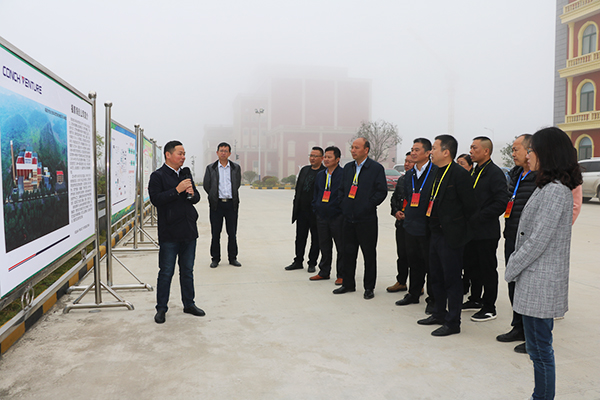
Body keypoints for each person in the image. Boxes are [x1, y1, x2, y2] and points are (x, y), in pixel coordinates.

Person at [505, 127, 582, 400]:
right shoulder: (547, 187)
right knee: (537, 350)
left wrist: (512, 266)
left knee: (540, 351)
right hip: (535, 280)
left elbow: (538, 240)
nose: (528, 156)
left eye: (533, 150)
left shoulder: (555, 191)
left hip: (541, 282)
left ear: (547, 153)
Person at [417, 134, 476, 336]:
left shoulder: (459, 175)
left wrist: (459, 231)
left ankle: (453, 322)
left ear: (446, 152)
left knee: (452, 280)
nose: (431, 152)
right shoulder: (435, 172)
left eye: (434, 148)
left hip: (451, 237)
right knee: (436, 277)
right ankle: (439, 313)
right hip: (434, 233)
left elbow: (470, 207)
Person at [149, 140, 204, 324]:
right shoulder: (158, 176)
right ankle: (161, 309)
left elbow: (196, 197)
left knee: (187, 271)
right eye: (180, 153)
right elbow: (156, 199)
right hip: (170, 233)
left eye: (184, 154)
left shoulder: (185, 174)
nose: (183, 157)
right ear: (168, 154)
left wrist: (191, 193)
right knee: (166, 272)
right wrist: (177, 190)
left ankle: (189, 304)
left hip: (189, 231)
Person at [333, 137, 387, 299]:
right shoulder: (348, 168)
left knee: (369, 254)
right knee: (348, 253)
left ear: (366, 150)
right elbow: (341, 189)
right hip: (348, 218)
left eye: (357, 147)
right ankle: (348, 284)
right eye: (352, 147)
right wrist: (343, 204)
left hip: (366, 219)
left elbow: (381, 191)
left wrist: (367, 205)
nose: (353, 150)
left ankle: (369, 287)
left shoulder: (375, 168)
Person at [497, 134, 536, 353]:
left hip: (529, 241)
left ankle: (533, 336)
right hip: (512, 235)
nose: (513, 154)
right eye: (512, 150)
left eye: (516, 149)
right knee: (512, 281)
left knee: (529, 287)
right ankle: (518, 327)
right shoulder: (515, 175)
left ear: (529, 150)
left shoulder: (540, 178)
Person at [463, 136, 508, 322]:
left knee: (487, 269)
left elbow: (501, 202)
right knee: (472, 267)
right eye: (471, 147)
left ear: (486, 151)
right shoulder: (475, 171)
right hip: (471, 231)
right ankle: (475, 299)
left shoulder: (494, 173)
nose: (471, 151)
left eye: (474, 148)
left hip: (486, 231)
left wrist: (479, 216)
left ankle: (489, 307)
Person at [394, 139, 438, 315]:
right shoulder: (410, 174)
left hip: (428, 226)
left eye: (417, 150)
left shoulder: (435, 172)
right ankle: (413, 293)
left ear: (428, 153)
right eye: (412, 149)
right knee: (414, 262)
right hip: (410, 225)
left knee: (431, 265)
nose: (413, 153)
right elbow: (406, 195)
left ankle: (433, 299)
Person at [285, 147, 325, 272]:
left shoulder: (324, 172)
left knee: (316, 239)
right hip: (302, 211)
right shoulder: (304, 170)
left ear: (322, 158)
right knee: (300, 237)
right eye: (311, 155)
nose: (312, 158)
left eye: (315, 156)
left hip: (315, 212)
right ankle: (298, 261)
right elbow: (298, 189)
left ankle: (312, 263)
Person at [203, 142, 242, 268]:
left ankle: (233, 258)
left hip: (231, 205)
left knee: (232, 233)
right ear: (217, 153)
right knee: (216, 233)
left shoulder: (235, 168)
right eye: (221, 150)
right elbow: (207, 185)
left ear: (229, 153)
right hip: (217, 205)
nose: (223, 153)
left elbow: (237, 184)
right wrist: (213, 195)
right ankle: (215, 259)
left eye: (226, 151)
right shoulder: (211, 168)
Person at [310, 146, 344, 284]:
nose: (326, 159)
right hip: (322, 216)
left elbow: (343, 195)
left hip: (337, 216)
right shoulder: (321, 175)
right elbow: (316, 193)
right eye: (325, 157)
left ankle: (342, 274)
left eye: (330, 157)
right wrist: (316, 208)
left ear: (337, 159)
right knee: (324, 245)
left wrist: (339, 211)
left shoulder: (343, 174)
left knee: (341, 247)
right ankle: (324, 271)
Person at [387, 152, 414, 293]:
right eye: (405, 161)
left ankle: (417, 285)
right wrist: (396, 211)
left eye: (410, 162)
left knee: (415, 257)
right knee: (402, 255)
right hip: (401, 224)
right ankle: (401, 281)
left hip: (414, 225)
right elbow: (394, 199)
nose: (406, 164)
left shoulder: (422, 180)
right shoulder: (402, 180)